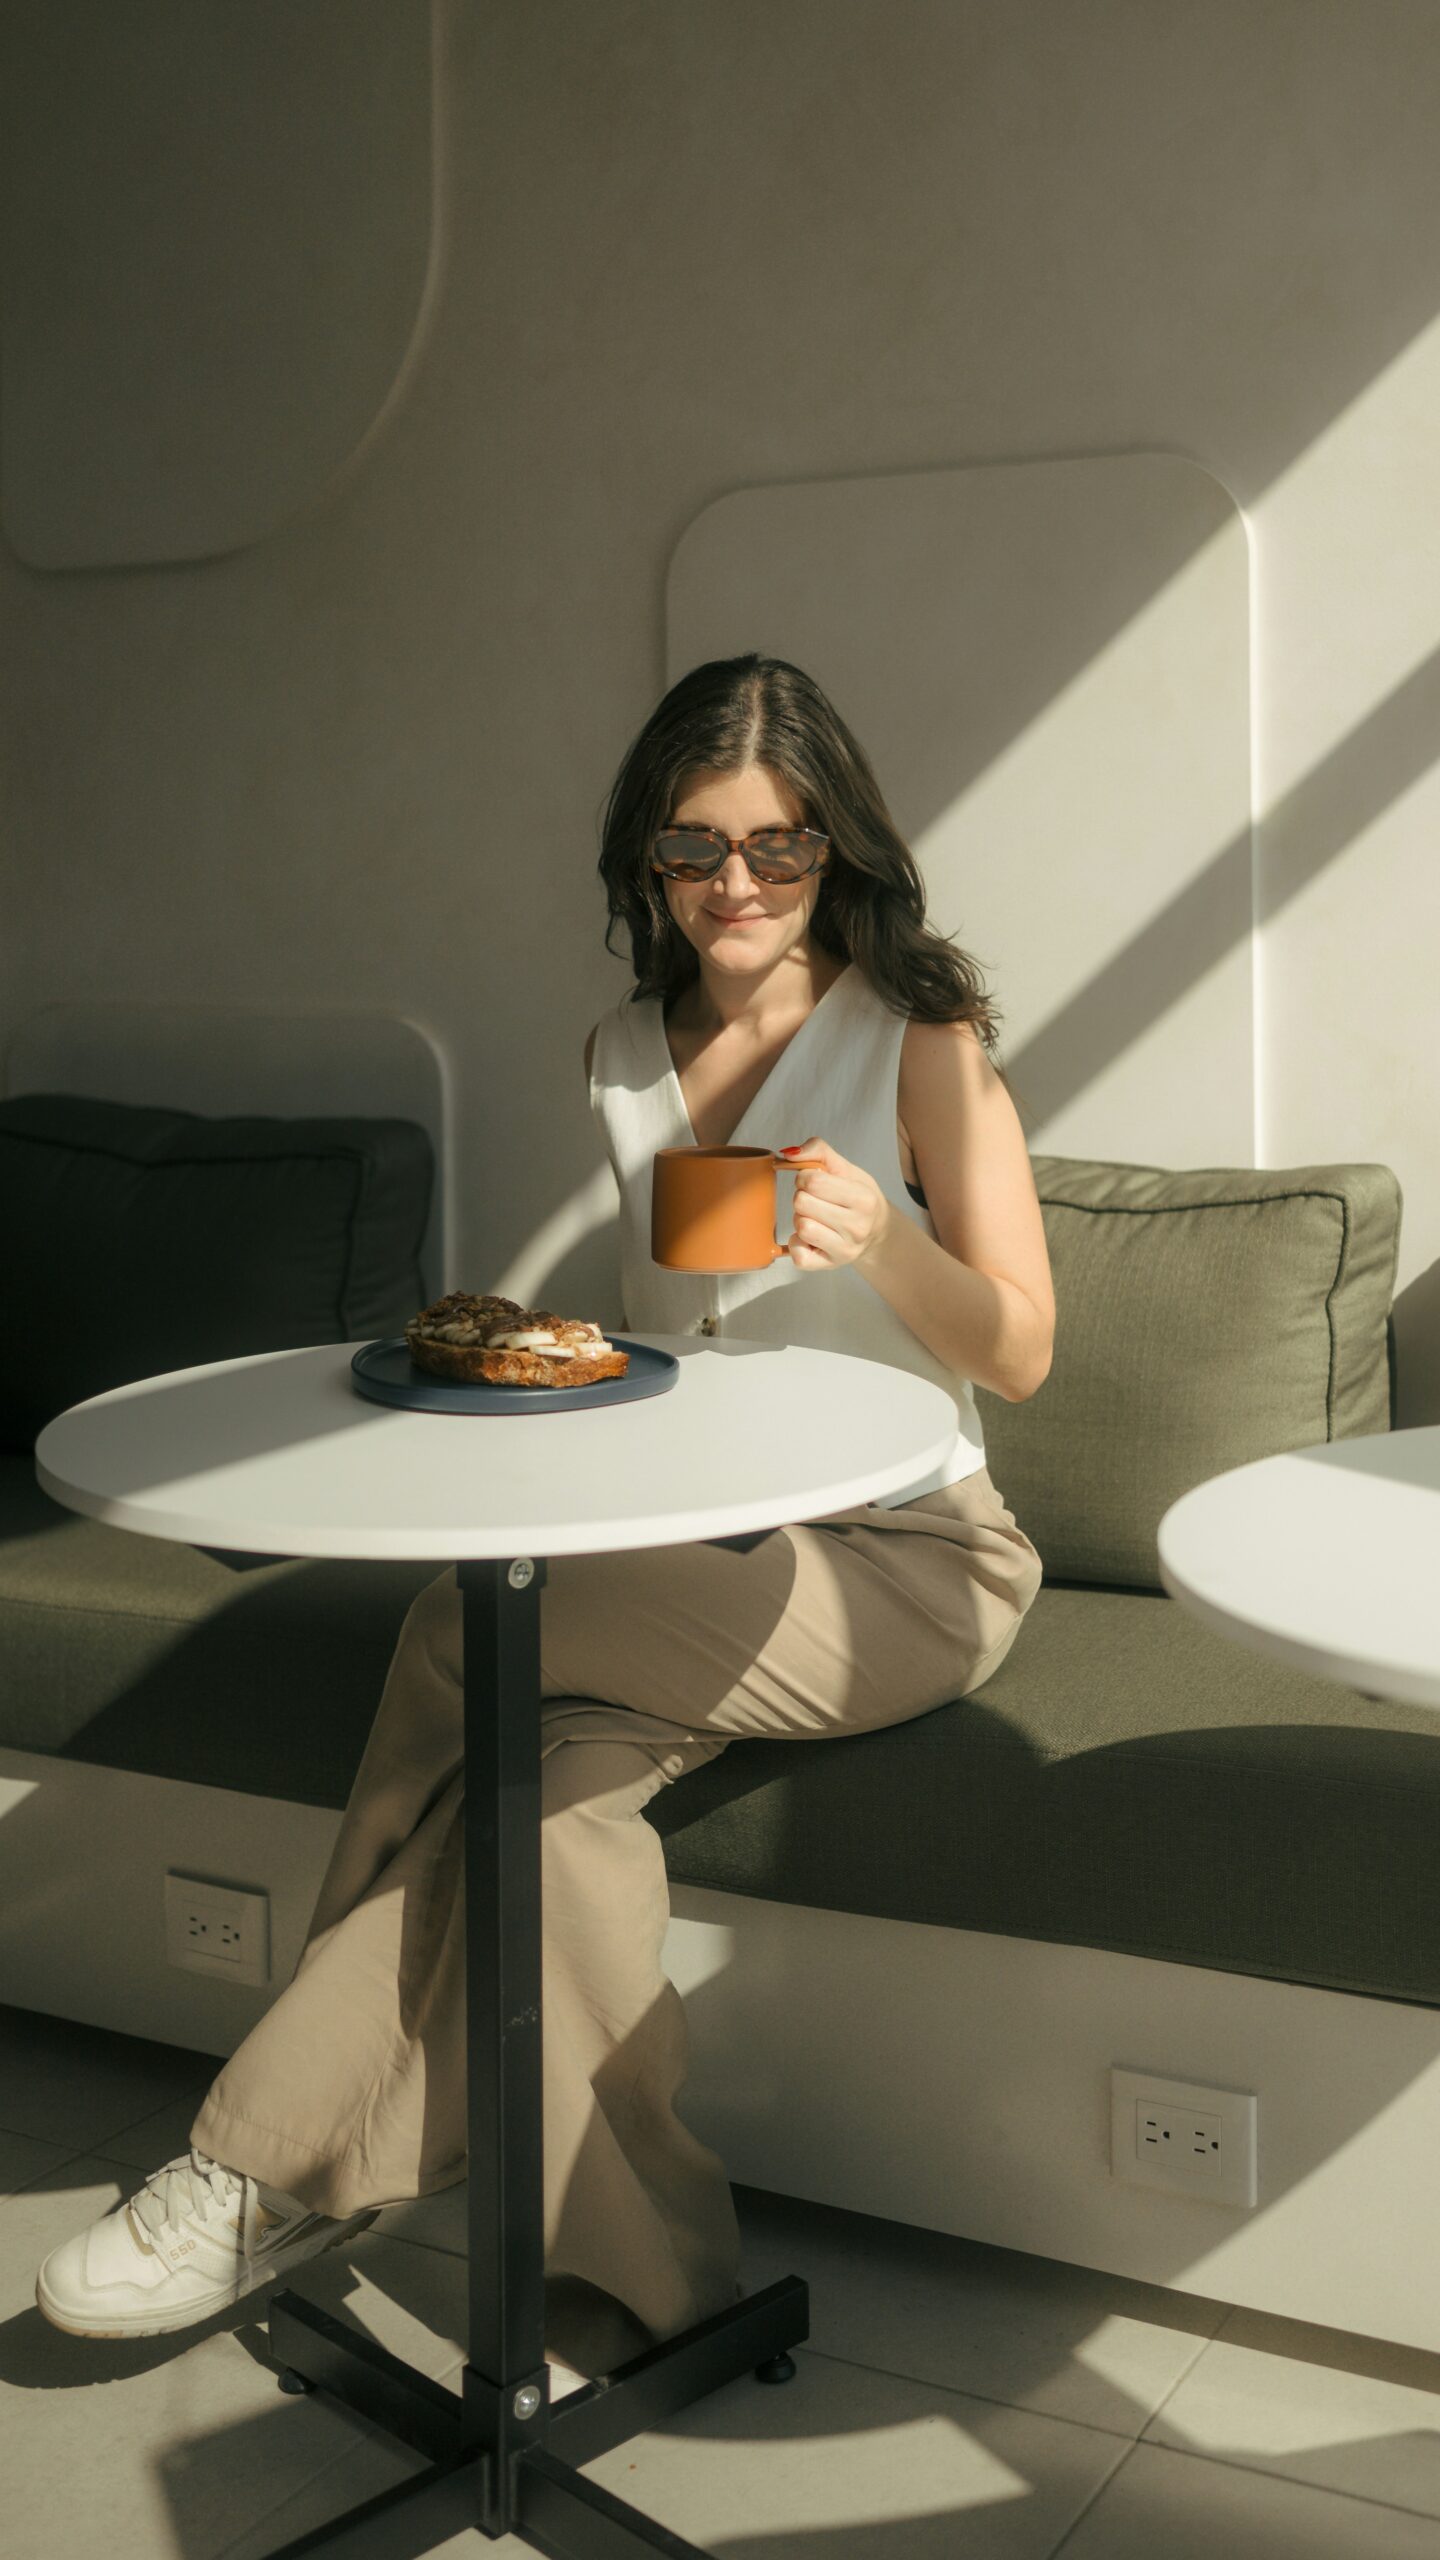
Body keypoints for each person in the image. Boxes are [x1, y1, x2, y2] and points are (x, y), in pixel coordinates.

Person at [36, 652, 1051, 2379]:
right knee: (552, 1805)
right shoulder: (620, 1054)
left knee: (458, 1628)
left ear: (841, 852)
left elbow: (1022, 1353)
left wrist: (882, 1237)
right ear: (644, 866)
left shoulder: (919, 1042)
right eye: (695, 848)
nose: (738, 885)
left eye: (782, 847)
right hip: (708, 1554)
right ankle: (676, 2296)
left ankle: (256, 2170)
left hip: (912, 1558)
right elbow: (679, 1343)